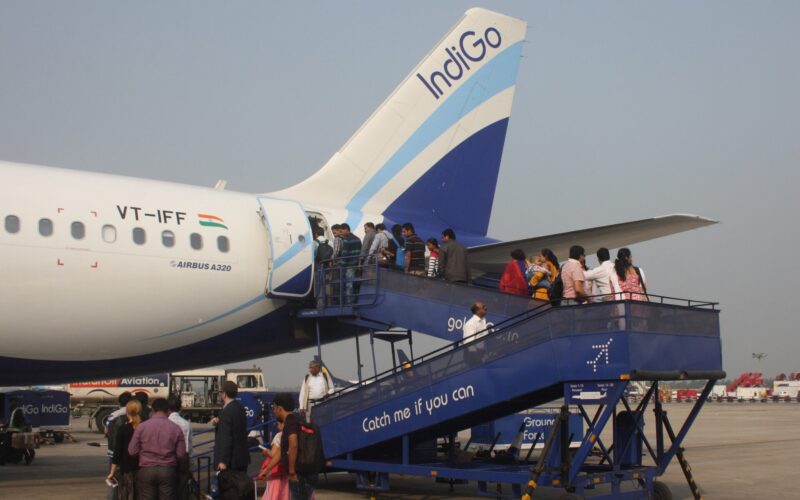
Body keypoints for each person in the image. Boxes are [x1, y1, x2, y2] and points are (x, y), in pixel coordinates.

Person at [128, 397, 186, 500]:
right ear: (168, 410)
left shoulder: (142, 427)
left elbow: (132, 451)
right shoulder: (176, 428)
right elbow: (181, 454)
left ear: (153, 410)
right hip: (167, 470)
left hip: (146, 470)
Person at [273, 393, 317, 500]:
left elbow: (293, 444)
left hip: (299, 474)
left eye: (274, 408)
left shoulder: (290, 422)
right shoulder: (299, 419)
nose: (273, 411)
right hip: (308, 469)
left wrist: (292, 471)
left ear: (279, 409)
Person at [212, 380, 251, 497]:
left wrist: (223, 460)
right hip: (241, 458)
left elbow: (226, 438)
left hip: (230, 462)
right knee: (240, 492)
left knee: (230, 492)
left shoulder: (226, 412)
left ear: (224, 394)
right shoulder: (239, 408)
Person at [108, 399, 141, 500]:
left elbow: (117, 452)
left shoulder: (123, 429)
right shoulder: (144, 427)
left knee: (125, 494)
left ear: (127, 412)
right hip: (141, 467)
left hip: (126, 468)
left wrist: (112, 472)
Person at [168, 397, 192, 500]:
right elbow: (189, 445)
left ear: (168, 409)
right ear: (180, 408)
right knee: (182, 487)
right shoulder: (186, 424)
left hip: (168, 458)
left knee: (169, 487)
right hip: (183, 458)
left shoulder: (165, 422)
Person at [257, 420, 288, 500]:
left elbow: (274, 455)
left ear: (283, 424)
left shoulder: (279, 436)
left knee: (274, 494)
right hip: (288, 471)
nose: (277, 427)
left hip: (277, 471)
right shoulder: (294, 434)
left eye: (278, 424)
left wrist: (266, 452)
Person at [338, 223, 362, 304]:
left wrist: (341, 264)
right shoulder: (358, 239)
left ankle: (349, 302)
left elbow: (345, 254)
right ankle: (356, 301)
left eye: (342, 230)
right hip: (357, 264)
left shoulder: (347, 240)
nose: (341, 233)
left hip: (350, 265)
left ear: (347, 230)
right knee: (356, 283)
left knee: (349, 284)